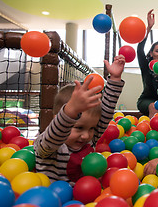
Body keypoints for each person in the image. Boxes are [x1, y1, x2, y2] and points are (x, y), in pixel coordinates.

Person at [34, 55, 125, 186]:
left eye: (92, 128)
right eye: (79, 128)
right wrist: (70, 111)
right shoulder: (49, 144)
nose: (86, 135)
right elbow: (55, 135)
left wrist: (115, 79)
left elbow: (104, 114)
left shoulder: (87, 141)